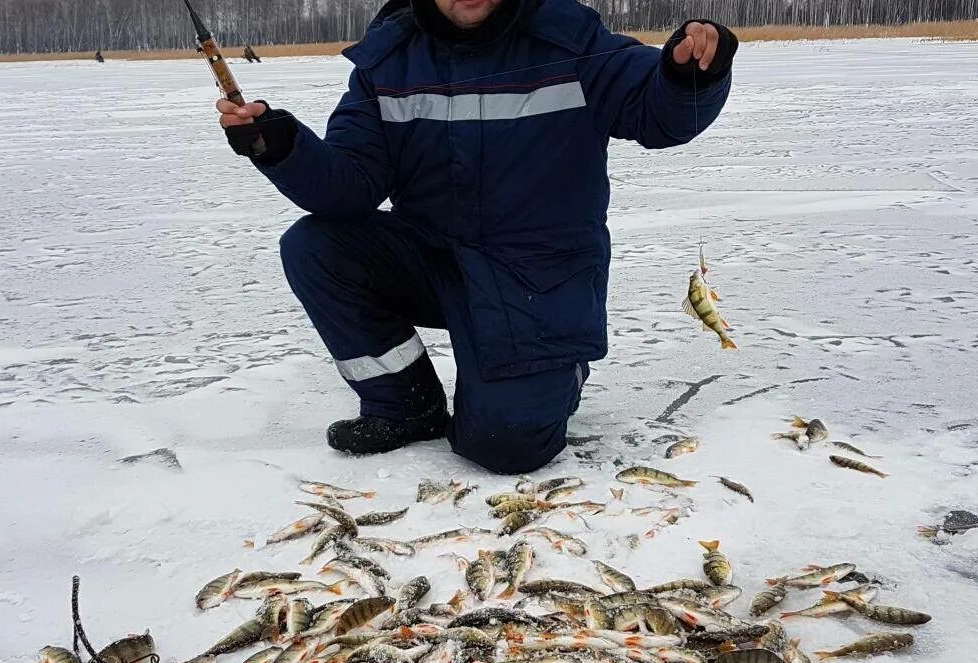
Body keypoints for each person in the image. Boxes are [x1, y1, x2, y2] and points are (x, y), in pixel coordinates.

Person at [218, 0, 736, 474]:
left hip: (537, 277)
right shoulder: (390, 60)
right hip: (433, 260)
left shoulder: (572, 41)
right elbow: (348, 189)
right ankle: (405, 406)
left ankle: (563, 364)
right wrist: (280, 145)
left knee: (501, 444)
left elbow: (658, 113)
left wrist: (689, 73)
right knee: (316, 246)